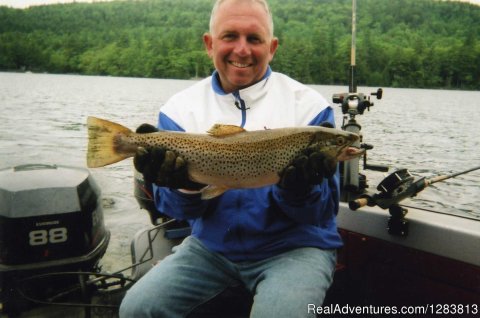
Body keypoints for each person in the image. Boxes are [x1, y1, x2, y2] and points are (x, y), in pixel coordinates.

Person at [120, 0, 359, 317]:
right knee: (137, 309)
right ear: (210, 44)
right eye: (230, 36)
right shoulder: (180, 109)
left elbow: (322, 212)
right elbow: (171, 208)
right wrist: (185, 186)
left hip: (296, 247)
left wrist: (299, 190)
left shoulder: (309, 108)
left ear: (272, 47)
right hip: (210, 248)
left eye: (254, 39)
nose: (242, 50)